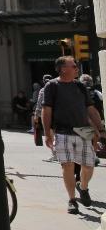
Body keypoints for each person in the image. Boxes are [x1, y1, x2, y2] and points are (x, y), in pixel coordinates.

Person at [43, 56, 106, 213]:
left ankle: (82, 187)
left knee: (89, 165)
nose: (77, 68)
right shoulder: (52, 86)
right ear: (63, 69)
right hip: (63, 131)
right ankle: (72, 200)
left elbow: (91, 109)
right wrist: (47, 133)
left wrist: (101, 129)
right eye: (74, 66)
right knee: (68, 166)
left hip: (84, 130)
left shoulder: (79, 86)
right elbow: (47, 109)